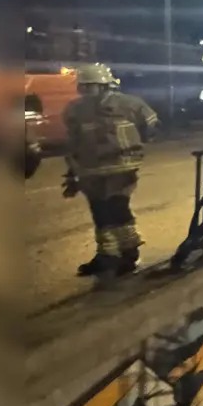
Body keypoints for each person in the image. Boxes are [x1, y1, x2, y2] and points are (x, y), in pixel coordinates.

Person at [61, 63, 159, 277]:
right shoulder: (75, 109)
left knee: (117, 208)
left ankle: (128, 253)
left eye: (90, 86)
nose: (86, 91)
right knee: (100, 212)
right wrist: (72, 173)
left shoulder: (129, 104)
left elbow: (150, 125)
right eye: (83, 87)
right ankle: (106, 254)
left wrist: (135, 146)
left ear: (104, 85)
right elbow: (73, 143)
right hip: (90, 170)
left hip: (120, 168)